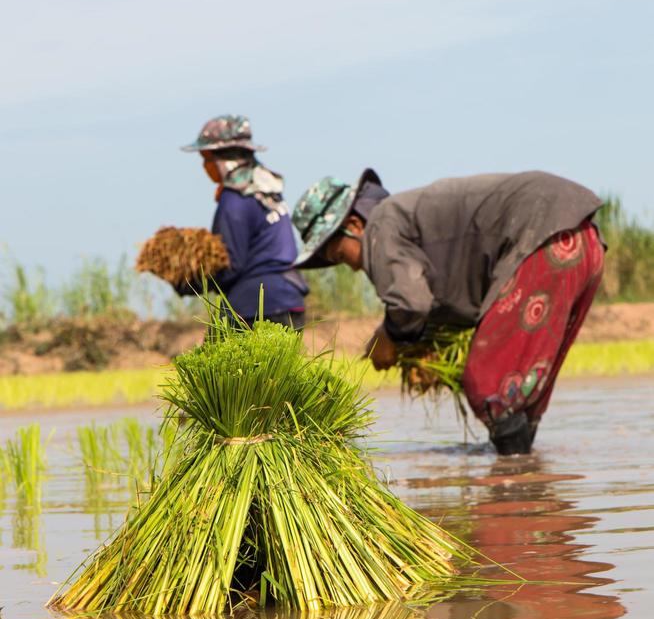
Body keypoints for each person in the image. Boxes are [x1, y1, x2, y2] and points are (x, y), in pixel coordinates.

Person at [292, 169, 605, 454]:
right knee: (523, 395)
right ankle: (529, 479)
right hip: (581, 243)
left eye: (339, 255)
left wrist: (387, 337)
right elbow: (436, 300)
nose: (350, 267)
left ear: (354, 225)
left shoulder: (380, 226)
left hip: (544, 240)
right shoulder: (403, 220)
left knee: (489, 385)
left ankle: (516, 497)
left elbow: (411, 303)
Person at [179, 114, 307, 327]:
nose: (205, 166)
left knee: (213, 360)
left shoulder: (234, 200)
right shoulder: (267, 190)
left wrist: (191, 283)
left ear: (223, 159)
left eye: (207, 159)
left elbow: (230, 265)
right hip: (291, 300)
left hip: (254, 308)